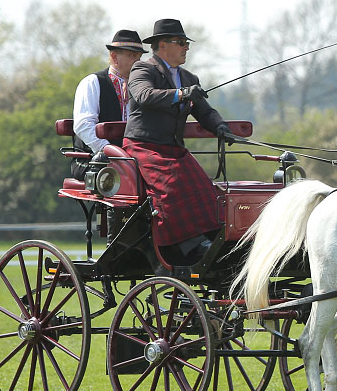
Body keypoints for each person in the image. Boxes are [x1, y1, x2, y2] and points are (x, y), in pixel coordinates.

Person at [123, 18, 232, 262]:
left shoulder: (189, 77)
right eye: (180, 42)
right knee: (171, 185)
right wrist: (181, 94)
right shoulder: (142, 69)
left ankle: (215, 239)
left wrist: (220, 126)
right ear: (162, 45)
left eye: (186, 43)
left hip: (173, 149)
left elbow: (204, 111)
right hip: (143, 146)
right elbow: (144, 95)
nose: (186, 48)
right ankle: (188, 245)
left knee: (204, 188)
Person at [71, 30, 147, 179]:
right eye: (132, 56)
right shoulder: (92, 82)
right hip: (94, 162)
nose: (138, 62)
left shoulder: (142, 88)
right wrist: (113, 154)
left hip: (134, 161)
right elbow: (84, 126)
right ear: (114, 57)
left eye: (139, 57)